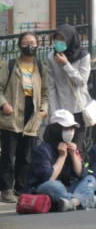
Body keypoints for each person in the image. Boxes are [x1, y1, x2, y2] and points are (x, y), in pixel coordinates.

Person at [0, 31, 48, 203]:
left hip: (32, 113)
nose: (30, 46)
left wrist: (43, 110)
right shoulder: (10, 65)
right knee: (8, 154)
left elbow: (45, 93)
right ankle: (6, 189)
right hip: (12, 112)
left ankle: (22, 189)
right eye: (26, 43)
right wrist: (4, 104)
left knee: (26, 156)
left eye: (33, 43)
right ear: (20, 46)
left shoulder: (41, 67)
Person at [25, 109, 95, 211]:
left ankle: (71, 203)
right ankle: (79, 200)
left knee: (90, 180)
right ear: (55, 129)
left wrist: (73, 155)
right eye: (66, 128)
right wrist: (62, 157)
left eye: (72, 128)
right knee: (55, 185)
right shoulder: (43, 150)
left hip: (66, 188)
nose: (70, 132)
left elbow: (81, 174)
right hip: (45, 189)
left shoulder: (70, 147)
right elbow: (48, 178)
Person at [47, 24, 91, 153]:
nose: (59, 43)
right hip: (60, 110)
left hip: (77, 109)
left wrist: (66, 64)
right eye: (57, 39)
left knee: (75, 148)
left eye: (63, 39)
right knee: (58, 147)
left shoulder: (83, 55)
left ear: (71, 39)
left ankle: (75, 172)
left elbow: (82, 82)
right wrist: (53, 112)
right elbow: (51, 86)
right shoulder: (51, 56)